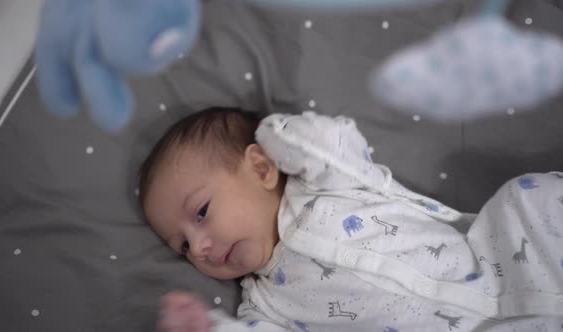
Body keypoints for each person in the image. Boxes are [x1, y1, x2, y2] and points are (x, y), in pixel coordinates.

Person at [139, 107, 563, 332]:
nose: (200, 248)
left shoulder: (327, 183)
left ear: (262, 169)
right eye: (183, 246)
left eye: (201, 213)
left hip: (503, 261)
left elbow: (336, 143)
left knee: (524, 199)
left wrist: (279, 135)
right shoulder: (265, 304)